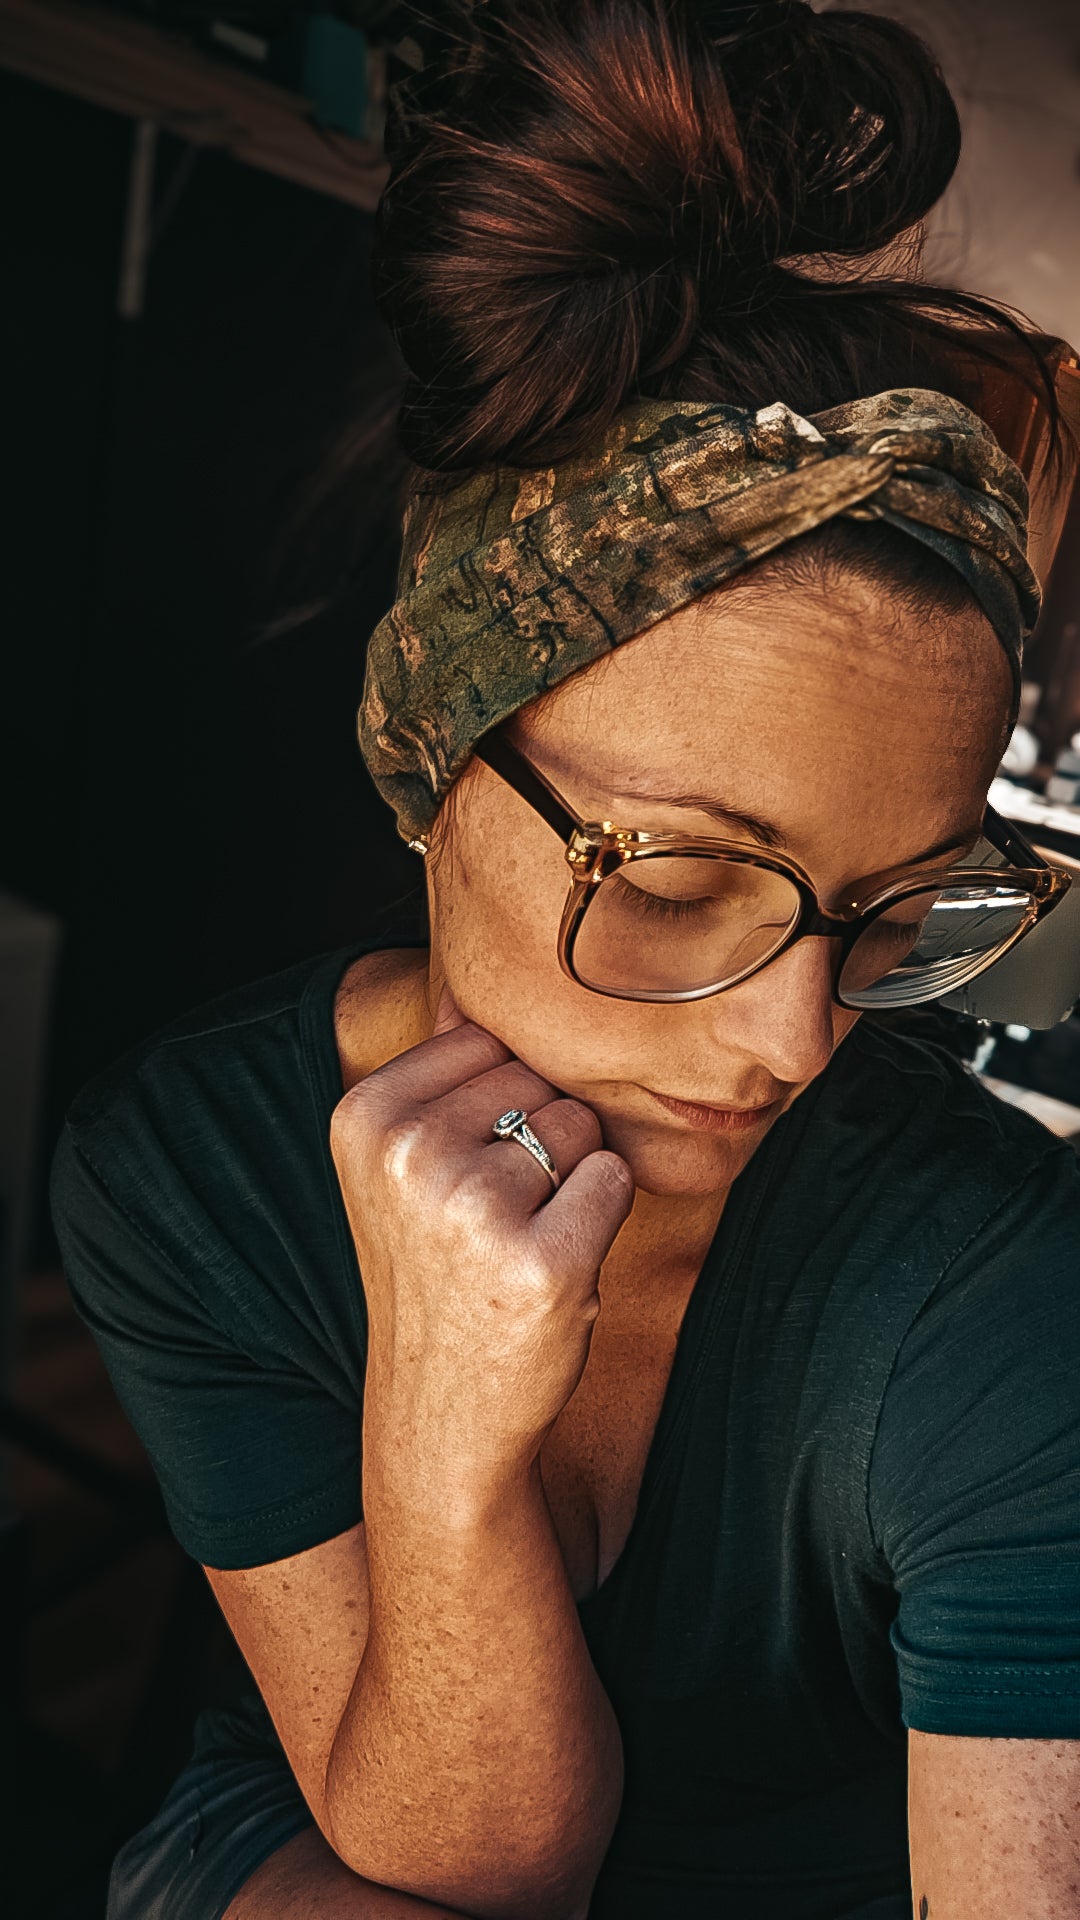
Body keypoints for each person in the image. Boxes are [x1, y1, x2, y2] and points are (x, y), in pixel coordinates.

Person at [48, 3, 1080, 1917]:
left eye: (894, 910)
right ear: (437, 768)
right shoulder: (182, 1167)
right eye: (679, 880)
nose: (793, 1040)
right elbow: (466, 1864)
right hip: (341, 1818)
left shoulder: (1000, 1290)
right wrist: (449, 1437)